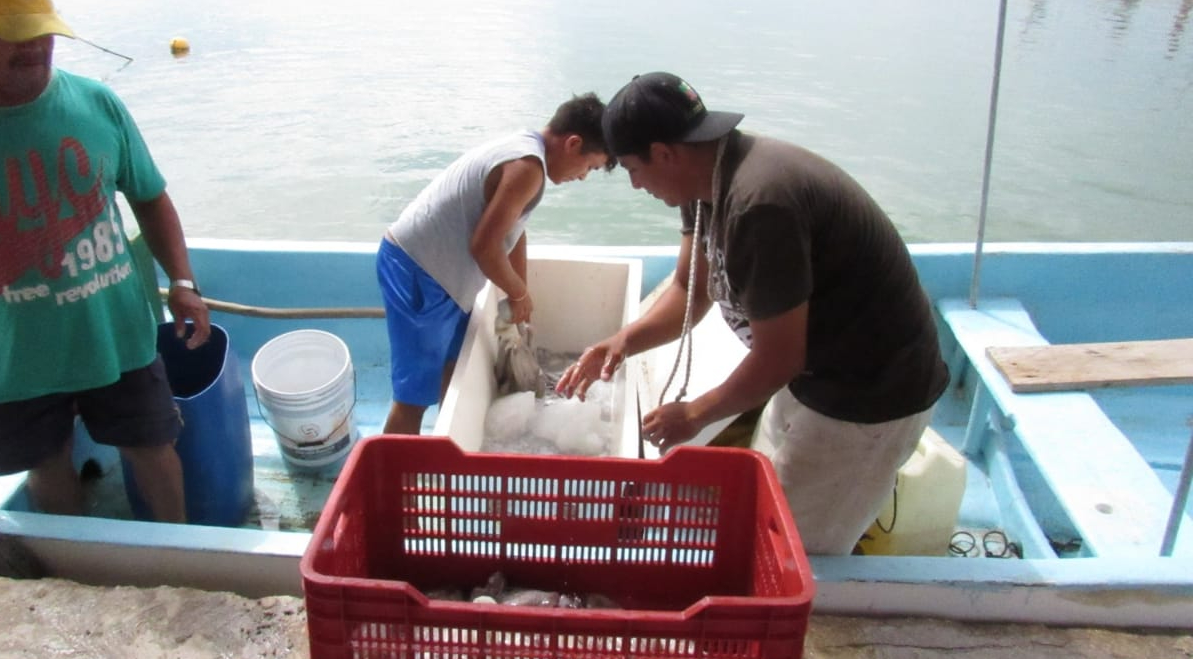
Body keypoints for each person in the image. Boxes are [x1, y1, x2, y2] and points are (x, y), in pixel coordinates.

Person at [556, 72, 949, 555]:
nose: (637, 185)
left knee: (790, 555)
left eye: (635, 170)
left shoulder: (761, 204)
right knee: (764, 513)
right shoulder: (701, 184)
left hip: (868, 399)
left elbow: (779, 357)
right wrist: (620, 342)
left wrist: (695, 414)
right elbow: (689, 287)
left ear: (664, 153)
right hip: (809, 379)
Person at [0, 0, 210, 523]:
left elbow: (149, 195)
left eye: (42, 33)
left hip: (115, 334)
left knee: (152, 447)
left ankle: (177, 559)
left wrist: (182, 282)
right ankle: (76, 568)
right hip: (8, 351)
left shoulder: (97, 104)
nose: (34, 48)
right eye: (13, 35)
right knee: (46, 464)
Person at [378, 94, 613, 435]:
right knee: (413, 396)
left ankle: (448, 453)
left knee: (454, 368)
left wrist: (521, 296)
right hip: (418, 271)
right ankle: (392, 482)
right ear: (573, 143)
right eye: (589, 167)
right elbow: (485, 247)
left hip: (440, 277)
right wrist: (517, 295)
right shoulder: (527, 168)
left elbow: (513, 233)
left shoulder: (529, 153)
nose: (583, 177)